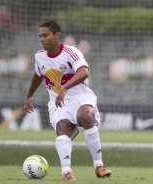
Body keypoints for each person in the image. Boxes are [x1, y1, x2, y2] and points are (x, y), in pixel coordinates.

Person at [23, 20, 112, 181]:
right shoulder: (39, 56)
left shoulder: (70, 52)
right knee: (62, 128)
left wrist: (64, 88)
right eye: (40, 36)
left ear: (57, 36)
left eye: (45, 35)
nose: (42, 39)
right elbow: (38, 75)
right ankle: (66, 172)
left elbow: (84, 72)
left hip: (79, 97)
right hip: (57, 102)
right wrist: (29, 96)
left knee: (86, 116)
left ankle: (99, 165)